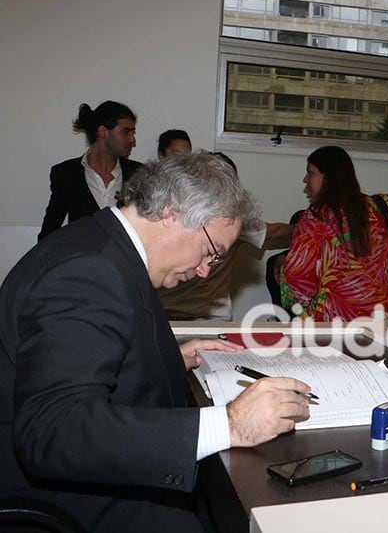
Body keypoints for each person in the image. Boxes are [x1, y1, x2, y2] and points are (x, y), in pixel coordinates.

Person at [1, 152, 311, 531]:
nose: (202, 270)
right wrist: (229, 424)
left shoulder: (105, 244)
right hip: (65, 498)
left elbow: (86, 351)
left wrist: (166, 357)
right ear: (171, 212)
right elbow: (54, 431)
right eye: (211, 253)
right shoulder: (88, 271)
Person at [281, 145, 388, 321]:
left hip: (334, 320)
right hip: (385, 316)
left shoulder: (314, 220)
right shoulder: (381, 206)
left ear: (328, 177)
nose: (305, 179)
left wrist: (299, 308)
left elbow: (297, 274)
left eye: (311, 173)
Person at [158, 151, 295, 320]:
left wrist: (313, 232)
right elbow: (275, 232)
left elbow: (275, 232)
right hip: (175, 314)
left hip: (205, 315)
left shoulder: (236, 222)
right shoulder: (174, 218)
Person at [38, 100, 142, 241]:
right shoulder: (66, 174)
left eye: (133, 133)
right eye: (126, 132)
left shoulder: (140, 173)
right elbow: (49, 232)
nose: (132, 140)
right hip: (83, 260)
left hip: (128, 261)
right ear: (103, 131)